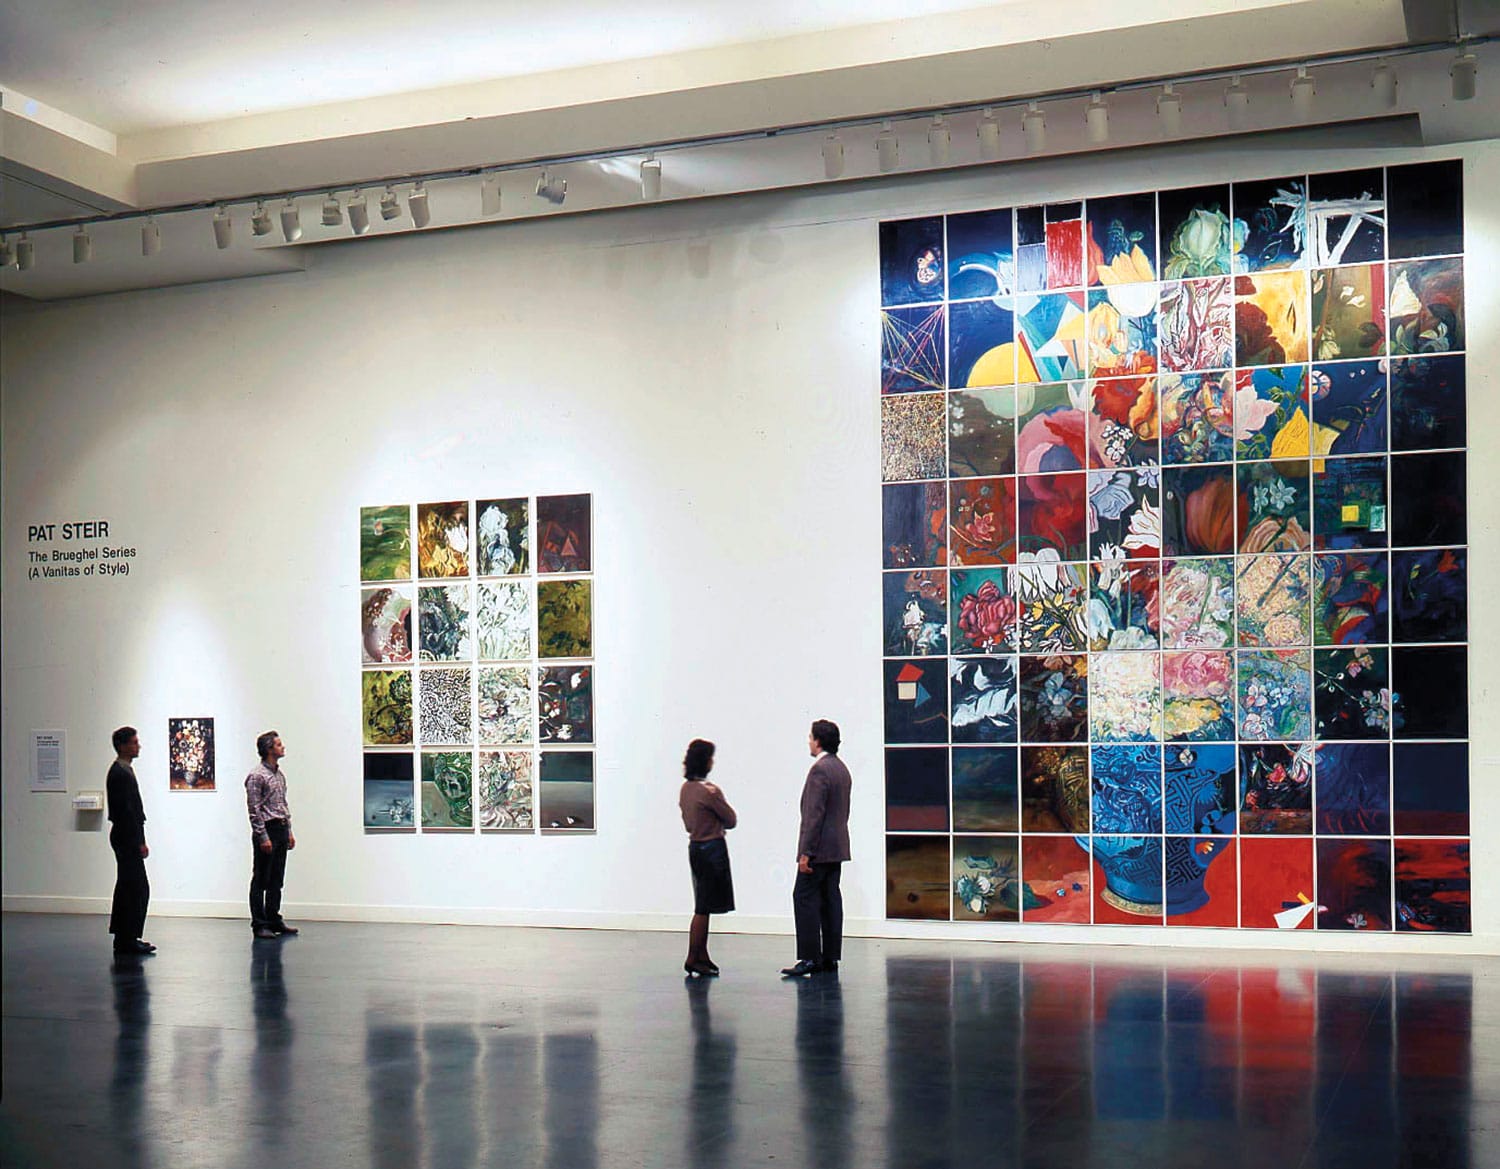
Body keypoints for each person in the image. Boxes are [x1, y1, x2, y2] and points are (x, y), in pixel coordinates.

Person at [781, 719, 851, 977]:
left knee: (805, 897)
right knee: (831, 899)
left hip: (819, 849)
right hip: (837, 848)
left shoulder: (819, 770)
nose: (809, 741)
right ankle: (830, 957)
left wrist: (805, 852)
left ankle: (810, 957)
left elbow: (813, 816)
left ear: (819, 740)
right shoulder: (842, 769)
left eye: (810, 737)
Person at [679, 738, 737, 976]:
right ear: (706, 761)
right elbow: (731, 820)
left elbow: (687, 824)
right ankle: (693, 957)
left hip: (695, 848)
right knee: (703, 906)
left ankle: (701, 955)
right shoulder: (709, 791)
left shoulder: (686, 789)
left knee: (704, 903)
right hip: (712, 849)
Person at [106, 726, 155, 955]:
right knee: (136, 888)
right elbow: (127, 813)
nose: (138, 746)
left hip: (126, 836)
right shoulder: (120, 773)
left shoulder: (123, 770)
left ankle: (124, 937)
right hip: (127, 837)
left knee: (129, 887)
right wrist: (139, 841)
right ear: (123, 745)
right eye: (134, 742)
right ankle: (128, 938)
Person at [246, 730, 298, 940]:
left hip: (280, 829)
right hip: (267, 830)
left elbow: (282, 804)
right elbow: (254, 809)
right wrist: (262, 836)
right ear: (269, 749)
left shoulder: (278, 774)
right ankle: (259, 924)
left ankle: (273, 918)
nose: (282, 747)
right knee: (261, 879)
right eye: (278, 744)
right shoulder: (257, 776)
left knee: (276, 879)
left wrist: (289, 831)